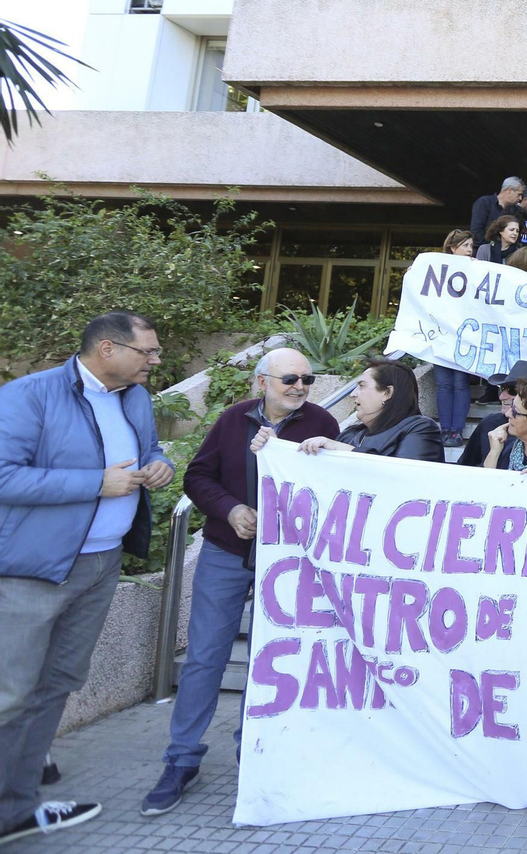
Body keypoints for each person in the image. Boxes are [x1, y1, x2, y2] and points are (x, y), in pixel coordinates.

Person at [138, 348, 339, 816]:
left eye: (308, 379)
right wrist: (230, 509)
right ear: (261, 381)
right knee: (205, 657)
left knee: (270, 658)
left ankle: (252, 751)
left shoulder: (324, 424)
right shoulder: (232, 420)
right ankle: (181, 759)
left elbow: (336, 489)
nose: (299, 386)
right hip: (226, 553)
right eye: (289, 378)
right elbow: (198, 476)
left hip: (287, 562)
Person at [0, 312, 175, 843]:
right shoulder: (31, 394)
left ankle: (16, 808)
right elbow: (5, 475)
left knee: (56, 687)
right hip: (36, 570)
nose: (154, 360)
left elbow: (145, 453)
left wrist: (158, 464)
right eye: (147, 352)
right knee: (10, 692)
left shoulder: (136, 396)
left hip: (101, 566)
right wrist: (94, 484)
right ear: (107, 349)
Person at [289, 359, 444, 461]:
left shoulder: (420, 428)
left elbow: (405, 476)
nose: (353, 394)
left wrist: (345, 450)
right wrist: (275, 447)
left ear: (387, 393)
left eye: (361, 386)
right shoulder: (351, 434)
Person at [434, 230, 477, 447]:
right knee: (443, 384)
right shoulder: (435, 270)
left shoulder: (477, 270)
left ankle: (456, 431)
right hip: (441, 335)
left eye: (471, 246)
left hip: (464, 336)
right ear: (453, 248)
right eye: (466, 246)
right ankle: (445, 430)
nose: (470, 250)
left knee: (460, 383)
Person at [470, 176, 525, 246]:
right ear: (510, 190)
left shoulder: (515, 210)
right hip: (483, 252)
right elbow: (476, 230)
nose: (520, 198)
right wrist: (487, 248)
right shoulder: (484, 202)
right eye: (519, 194)